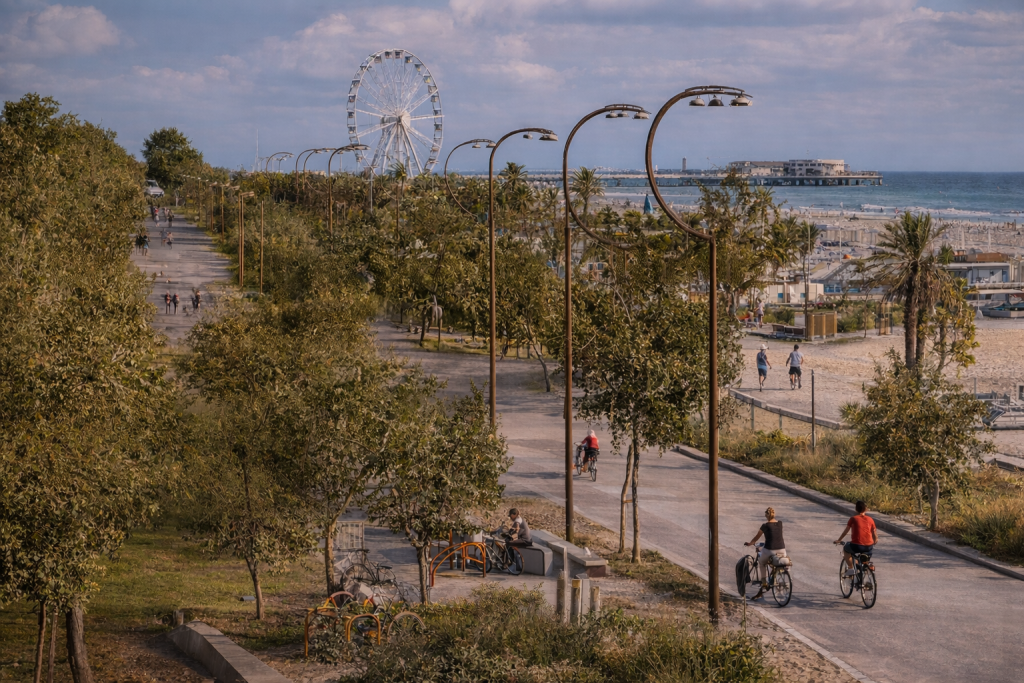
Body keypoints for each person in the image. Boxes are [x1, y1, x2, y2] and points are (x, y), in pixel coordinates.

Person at [744, 507, 787, 600]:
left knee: (762, 563)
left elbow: (757, 537)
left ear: (766, 516)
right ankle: (775, 575)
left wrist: (750, 543)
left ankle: (764, 584)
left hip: (770, 549)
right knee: (776, 562)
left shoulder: (765, 526)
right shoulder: (780, 523)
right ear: (774, 514)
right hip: (782, 550)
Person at [834, 500, 877, 577]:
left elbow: (846, 531)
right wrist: (874, 541)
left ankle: (851, 568)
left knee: (846, 549)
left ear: (856, 509)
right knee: (864, 559)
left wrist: (839, 540)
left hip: (857, 545)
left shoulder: (853, 519)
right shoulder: (870, 519)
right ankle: (864, 573)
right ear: (866, 509)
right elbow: (874, 534)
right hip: (869, 546)